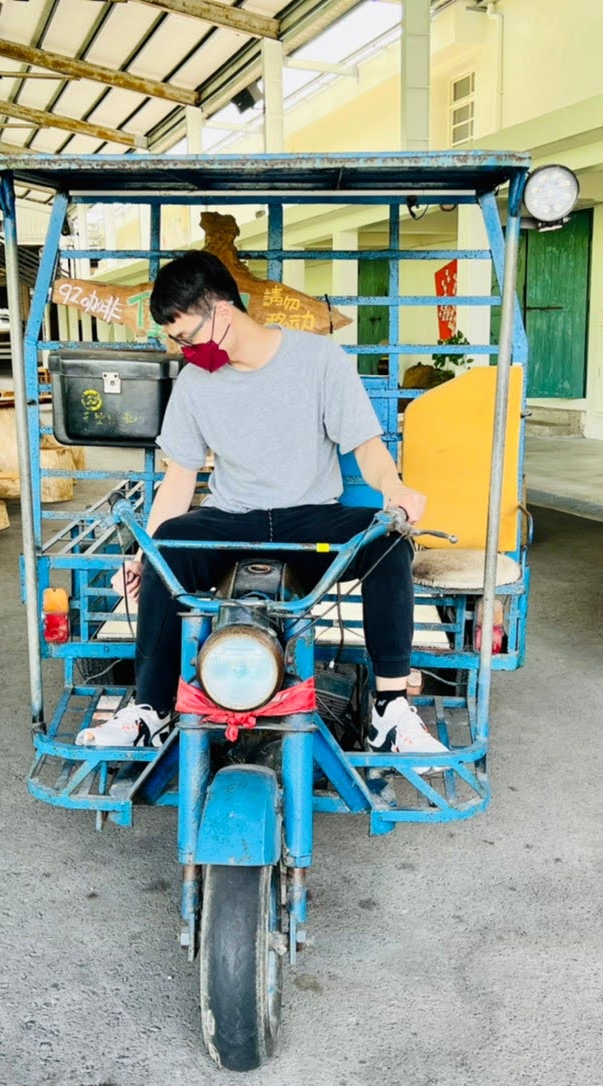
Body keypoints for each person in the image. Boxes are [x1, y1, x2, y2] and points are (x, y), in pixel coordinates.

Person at [77, 251, 448, 758]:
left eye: (187, 337)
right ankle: (152, 710)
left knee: (387, 542)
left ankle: (389, 709)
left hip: (309, 518)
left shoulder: (319, 360)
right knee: (166, 547)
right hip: (232, 519)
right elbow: (180, 477)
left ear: (223, 314)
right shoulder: (193, 384)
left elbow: (365, 446)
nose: (185, 351)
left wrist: (395, 489)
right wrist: (148, 552)